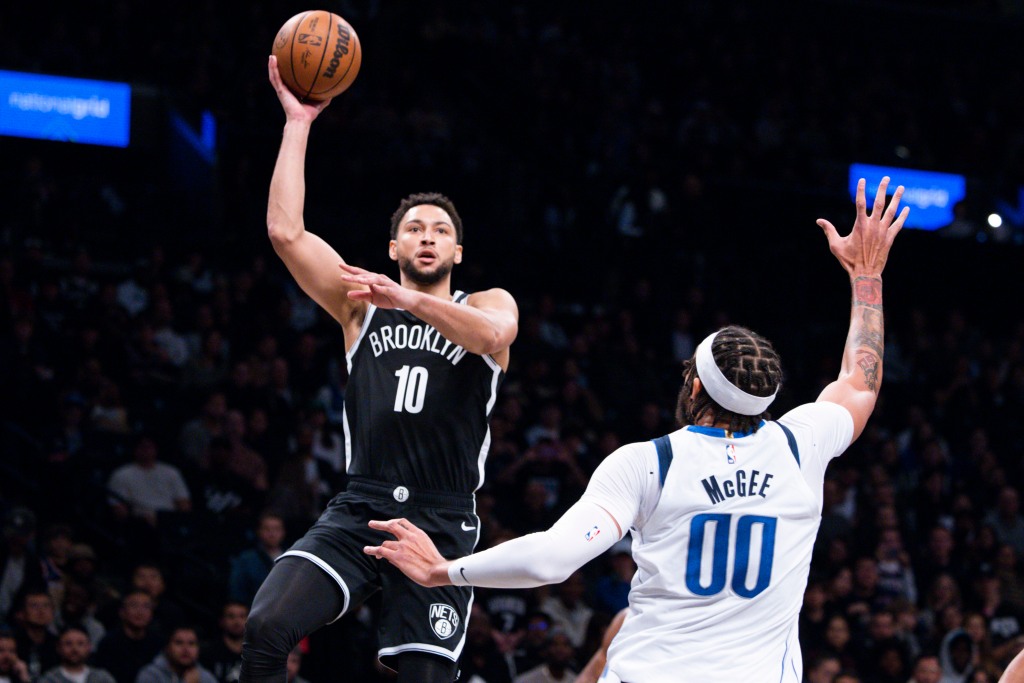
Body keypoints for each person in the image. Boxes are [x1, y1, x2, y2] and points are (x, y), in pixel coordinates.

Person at [364, 177, 909, 682]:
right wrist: (867, 277)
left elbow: (552, 558)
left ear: (694, 387)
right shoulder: (800, 445)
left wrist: (444, 571)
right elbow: (860, 381)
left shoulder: (648, 463)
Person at [240, 56, 519, 683]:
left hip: (442, 517)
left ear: (457, 251)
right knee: (265, 627)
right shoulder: (358, 304)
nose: (427, 236)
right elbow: (286, 233)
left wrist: (414, 301)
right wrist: (298, 121)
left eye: (440, 230)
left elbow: (496, 334)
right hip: (360, 504)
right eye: (414, 228)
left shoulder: (485, 303)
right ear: (393, 247)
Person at [136, 626, 218, 683]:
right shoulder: (150, 675)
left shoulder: (204, 677)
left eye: (191, 643)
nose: (186, 649)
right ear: (167, 648)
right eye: (179, 643)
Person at [38, 626, 115, 683]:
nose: (74, 649)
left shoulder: (102, 678)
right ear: (59, 648)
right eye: (68, 644)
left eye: (80, 644)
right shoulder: (49, 679)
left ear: (89, 647)